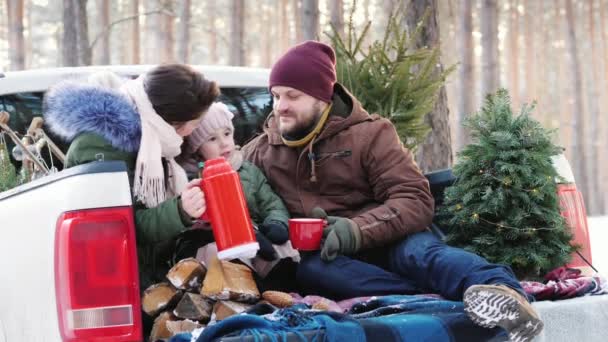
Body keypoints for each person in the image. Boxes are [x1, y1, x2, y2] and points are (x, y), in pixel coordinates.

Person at [242, 41, 543, 342]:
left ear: (322, 97)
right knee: (314, 272)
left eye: (292, 96)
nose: (280, 106)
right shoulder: (261, 151)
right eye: (276, 95)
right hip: (334, 259)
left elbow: (414, 198)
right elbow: (234, 191)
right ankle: (437, 300)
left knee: (422, 254)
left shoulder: (371, 134)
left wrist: (357, 230)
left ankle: (507, 298)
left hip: (393, 239)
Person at [44, 64, 218, 291]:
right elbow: (116, 227)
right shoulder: (103, 147)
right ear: (171, 121)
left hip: (146, 276)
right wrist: (179, 211)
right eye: (195, 123)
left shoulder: (154, 142)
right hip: (113, 285)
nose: (193, 132)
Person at [176, 101, 291, 263]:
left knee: (285, 252)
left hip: (259, 240)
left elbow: (271, 203)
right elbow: (204, 222)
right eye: (212, 139)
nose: (223, 143)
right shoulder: (195, 180)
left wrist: (277, 223)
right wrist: (250, 233)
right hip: (220, 245)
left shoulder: (248, 171)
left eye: (227, 133)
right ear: (198, 148)